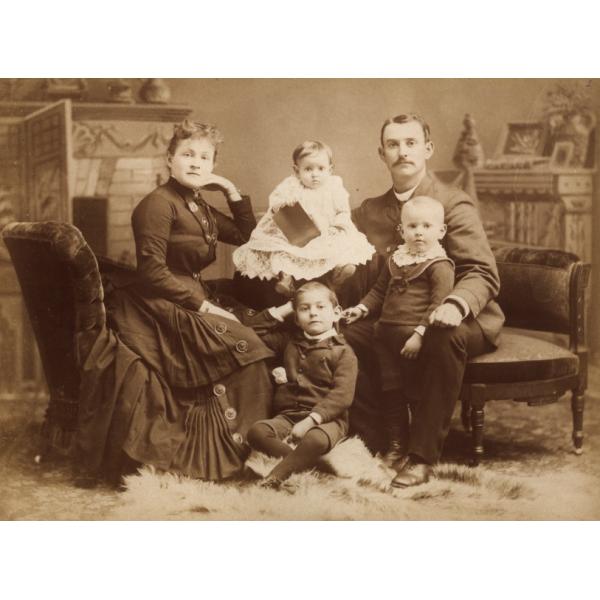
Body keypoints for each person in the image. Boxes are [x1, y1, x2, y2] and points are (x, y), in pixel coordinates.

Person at [75, 120, 286, 486]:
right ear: (169, 158)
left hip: (190, 293)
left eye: (205, 157)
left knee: (258, 336)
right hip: (159, 300)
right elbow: (152, 273)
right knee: (248, 347)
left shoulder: (198, 205)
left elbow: (249, 237)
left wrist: (231, 190)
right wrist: (204, 307)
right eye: (187, 154)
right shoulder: (157, 204)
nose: (196, 162)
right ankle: (239, 451)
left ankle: (256, 448)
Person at [341, 113, 505, 488]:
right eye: (393, 145)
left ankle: (421, 455)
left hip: (459, 316)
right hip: (397, 316)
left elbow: (482, 271)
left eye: (411, 143)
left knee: (443, 335)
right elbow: (338, 252)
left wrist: (454, 304)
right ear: (381, 154)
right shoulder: (369, 210)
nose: (402, 152)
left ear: (427, 149)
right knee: (348, 335)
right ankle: (383, 441)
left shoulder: (453, 202)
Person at [344, 196, 454, 481]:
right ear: (401, 231)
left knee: (414, 393)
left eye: (427, 226)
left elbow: (437, 305)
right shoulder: (396, 259)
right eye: (412, 226)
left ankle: (418, 453)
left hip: (413, 341)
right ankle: (395, 445)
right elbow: (380, 291)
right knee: (390, 390)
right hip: (384, 338)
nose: (419, 232)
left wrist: (419, 335)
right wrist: (361, 308)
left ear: (440, 231)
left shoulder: (439, 265)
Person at [246, 281, 358, 489]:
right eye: (305, 309)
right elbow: (250, 333)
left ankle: (275, 476)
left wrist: (309, 422)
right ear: (296, 319)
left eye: (320, 307)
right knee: (256, 432)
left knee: (314, 440)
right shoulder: (289, 342)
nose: (313, 313)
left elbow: (341, 396)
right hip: (288, 416)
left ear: (336, 313)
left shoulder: (343, 352)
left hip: (327, 421)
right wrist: (287, 308)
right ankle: (311, 463)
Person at [232, 140, 374, 297]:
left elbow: (342, 211)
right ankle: (286, 278)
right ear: (296, 170)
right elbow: (275, 203)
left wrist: (338, 226)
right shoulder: (291, 185)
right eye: (308, 169)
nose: (315, 174)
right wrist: (284, 203)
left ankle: (337, 276)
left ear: (330, 170)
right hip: (297, 233)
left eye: (321, 168)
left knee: (341, 248)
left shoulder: (334, 186)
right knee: (280, 250)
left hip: (326, 232)